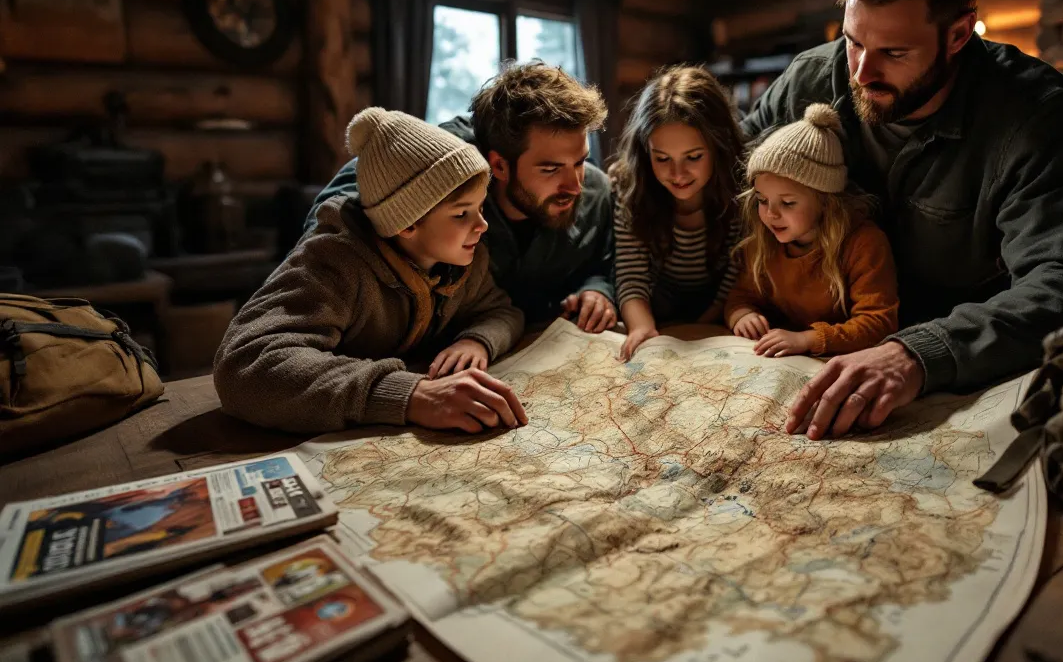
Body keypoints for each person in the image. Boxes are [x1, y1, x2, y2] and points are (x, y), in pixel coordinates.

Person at [739, 0, 1063, 439]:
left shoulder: (1039, 115)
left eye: (894, 52)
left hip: (959, 381)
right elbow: (727, 174)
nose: (860, 73)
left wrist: (916, 355)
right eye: (852, 40)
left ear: (960, 34)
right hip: (814, 349)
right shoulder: (813, 76)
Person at [215, 108, 527, 435]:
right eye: (462, 214)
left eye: (480, 207)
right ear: (407, 223)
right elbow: (244, 365)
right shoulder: (335, 263)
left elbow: (502, 311)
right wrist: (409, 395)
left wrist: (477, 341)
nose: (482, 224)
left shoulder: (463, 261)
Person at [305, 61, 617, 333]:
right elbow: (344, 199)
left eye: (580, 162)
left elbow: (608, 262)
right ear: (499, 165)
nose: (576, 185)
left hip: (525, 342)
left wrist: (598, 290)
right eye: (551, 169)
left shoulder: (595, 191)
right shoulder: (448, 161)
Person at [725, 104, 900, 372]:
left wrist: (807, 339)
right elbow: (742, 294)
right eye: (762, 200)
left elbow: (878, 322)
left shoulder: (864, 244)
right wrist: (742, 314)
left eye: (788, 203)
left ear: (825, 202)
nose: (771, 214)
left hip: (832, 359)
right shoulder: (764, 242)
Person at [608, 67, 746, 362]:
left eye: (694, 157)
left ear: (718, 148)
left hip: (723, 313)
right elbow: (631, 274)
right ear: (645, 153)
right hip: (656, 308)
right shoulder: (629, 186)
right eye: (662, 159)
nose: (678, 174)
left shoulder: (743, 187)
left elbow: (738, 275)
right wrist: (641, 327)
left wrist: (704, 325)